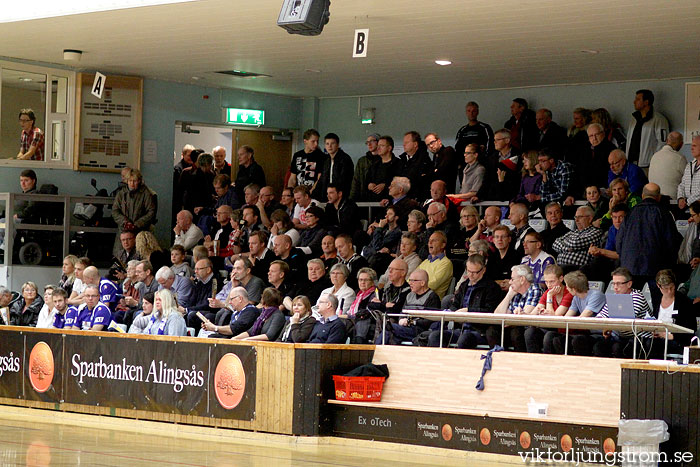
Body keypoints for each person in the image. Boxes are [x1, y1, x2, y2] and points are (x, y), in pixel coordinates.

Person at [616, 183, 682, 289]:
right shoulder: (664, 213)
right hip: (656, 267)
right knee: (656, 301)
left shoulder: (630, 213)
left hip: (630, 266)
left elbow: (619, 241)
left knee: (633, 301)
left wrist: (624, 259)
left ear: (642, 195)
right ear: (659, 197)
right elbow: (672, 241)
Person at [431, 254, 503, 348]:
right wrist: (451, 312)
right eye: (468, 271)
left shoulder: (492, 288)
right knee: (435, 336)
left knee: (465, 339)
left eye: (475, 272)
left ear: (483, 270)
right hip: (459, 329)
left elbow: (490, 311)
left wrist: (468, 311)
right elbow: (455, 304)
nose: (470, 275)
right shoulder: (463, 286)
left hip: (479, 331)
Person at [585, 267, 653, 358]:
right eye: (613, 284)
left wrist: (609, 326)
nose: (615, 287)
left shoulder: (637, 296)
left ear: (629, 284)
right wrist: (606, 326)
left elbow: (626, 319)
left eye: (618, 284)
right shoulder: (614, 296)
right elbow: (601, 316)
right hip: (621, 336)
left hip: (639, 338)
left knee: (617, 348)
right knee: (599, 347)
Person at [551, 270, 606, 355]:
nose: (566, 288)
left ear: (574, 289)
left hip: (601, 334)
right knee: (557, 339)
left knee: (578, 340)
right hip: (589, 333)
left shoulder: (596, 295)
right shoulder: (576, 298)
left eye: (568, 286)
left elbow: (585, 316)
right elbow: (567, 317)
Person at [523, 264, 573, 353]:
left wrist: (550, 297)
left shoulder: (568, 293)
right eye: (546, 282)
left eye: (552, 281)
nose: (549, 285)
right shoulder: (547, 292)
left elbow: (555, 317)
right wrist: (522, 314)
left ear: (561, 279)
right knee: (530, 332)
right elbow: (532, 314)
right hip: (552, 329)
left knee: (549, 336)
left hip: (566, 330)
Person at [493, 264, 542, 352]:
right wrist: (508, 296)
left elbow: (523, 318)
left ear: (522, 279)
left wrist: (507, 320)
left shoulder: (535, 289)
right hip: (514, 327)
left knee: (516, 332)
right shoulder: (515, 293)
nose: (510, 282)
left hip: (529, 331)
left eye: (512, 279)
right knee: (492, 331)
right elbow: (497, 316)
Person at [648, 269, 698, 355]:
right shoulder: (657, 299)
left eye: (672, 287)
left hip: (677, 340)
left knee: (653, 345)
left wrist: (672, 336)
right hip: (659, 337)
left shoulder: (684, 302)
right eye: (666, 288)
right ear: (658, 286)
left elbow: (691, 328)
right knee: (643, 343)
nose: (670, 291)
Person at [626, 89, 669, 169]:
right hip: (631, 163)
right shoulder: (634, 119)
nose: (634, 102)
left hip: (647, 165)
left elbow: (662, 143)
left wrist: (654, 161)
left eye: (638, 99)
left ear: (646, 102)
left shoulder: (658, 119)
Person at [476, 129, 521, 202]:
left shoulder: (518, 155)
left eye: (497, 140)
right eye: (494, 140)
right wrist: (479, 196)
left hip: (512, 197)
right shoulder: (492, 158)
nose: (494, 142)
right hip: (494, 197)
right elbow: (487, 179)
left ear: (507, 140)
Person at [585, 203, 627, 281]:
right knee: (590, 265)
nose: (617, 221)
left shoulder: (631, 231)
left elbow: (623, 255)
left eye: (621, 217)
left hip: (625, 261)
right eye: (615, 217)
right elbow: (608, 251)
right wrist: (597, 251)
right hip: (612, 260)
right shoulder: (612, 229)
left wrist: (601, 251)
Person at [112, 168, 156, 237]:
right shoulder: (121, 193)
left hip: (141, 230)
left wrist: (138, 224)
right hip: (123, 231)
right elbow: (115, 211)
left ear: (139, 181)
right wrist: (125, 222)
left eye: (134, 181)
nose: (132, 183)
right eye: (130, 181)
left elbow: (151, 211)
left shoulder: (145, 193)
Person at [455, 101, 495, 169]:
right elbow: (457, 148)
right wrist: (459, 162)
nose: (471, 113)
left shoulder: (485, 128)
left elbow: (490, 145)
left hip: (481, 163)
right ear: (466, 112)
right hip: (465, 164)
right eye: (469, 111)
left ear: (477, 112)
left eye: (474, 111)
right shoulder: (462, 130)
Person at [315, 132, 354, 201]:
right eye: (327, 144)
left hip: (341, 197)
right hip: (326, 196)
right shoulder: (326, 160)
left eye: (332, 143)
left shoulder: (345, 159)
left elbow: (344, 180)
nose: (329, 146)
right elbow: (322, 180)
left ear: (338, 145)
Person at [579, 123, 616, 192]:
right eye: (591, 136)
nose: (594, 138)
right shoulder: (585, 150)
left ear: (603, 134)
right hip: (587, 190)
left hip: (604, 189)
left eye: (597, 134)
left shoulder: (611, 149)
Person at [648, 131, 686, 199]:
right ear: (681, 144)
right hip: (672, 201)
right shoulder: (680, 158)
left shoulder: (654, 156)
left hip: (654, 198)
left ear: (667, 141)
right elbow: (688, 180)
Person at [417, 231, 453, 299]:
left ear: (443, 245)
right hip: (418, 296)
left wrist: (414, 287)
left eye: (434, 240)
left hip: (431, 300)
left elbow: (433, 284)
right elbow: (412, 278)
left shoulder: (446, 263)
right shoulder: (425, 262)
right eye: (429, 240)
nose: (430, 243)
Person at [397, 130, 432, 200]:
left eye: (406, 142)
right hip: (404, 198)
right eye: (404, 143)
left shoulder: (424, 161)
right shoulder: (402, 160)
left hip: (417, 199)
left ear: (415, 144)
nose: (404, 145)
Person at [367, 136, 402, 201]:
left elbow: (400, 182)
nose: (378, 148)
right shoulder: (374, 165)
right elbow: (367, 180)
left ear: (389, 148)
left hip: (390, 201)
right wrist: (369, 185)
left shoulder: (398, 164)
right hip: (374, 202)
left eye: (382, 146)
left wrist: (385, 186)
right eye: (378, 145)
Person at [489, 225, 521, 290]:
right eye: (497, 237)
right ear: (493, 240)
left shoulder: (517, 256)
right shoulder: (492, 256)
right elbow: (487, 278)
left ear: (509, 239)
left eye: (503, 237)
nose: (500, 240)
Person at [350, 133, 381, 201]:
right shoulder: (362, 161)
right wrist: (352, 199)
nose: (369, 144)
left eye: (372, 141)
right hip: (364, 197)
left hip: (381, 198)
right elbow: (356, 181)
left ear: (379, 142)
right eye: (367, 142)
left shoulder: (384, 159)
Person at [677, 135, 700, 212]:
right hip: (687, 209)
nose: (691, 148)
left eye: (694, 146)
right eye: (691, 145)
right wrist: (680, 198)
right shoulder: (689, 165)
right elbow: (682, 184)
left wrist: (687, 201)